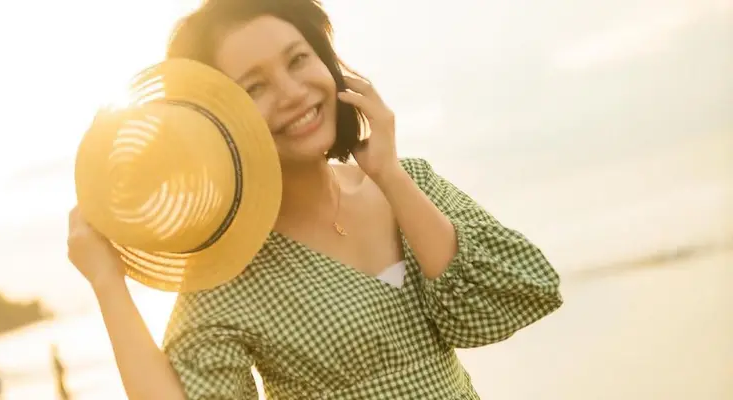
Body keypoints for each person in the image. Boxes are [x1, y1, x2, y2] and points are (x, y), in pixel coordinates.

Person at [66, 0, 564, 399]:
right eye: (254, 87)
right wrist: (108, 284)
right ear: (215, 121)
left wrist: (388, 175)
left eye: (298, 59)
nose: (292, 93)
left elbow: (502, 303)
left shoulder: (409, 183)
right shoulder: (233, 267)